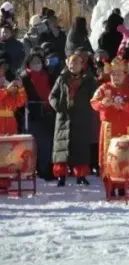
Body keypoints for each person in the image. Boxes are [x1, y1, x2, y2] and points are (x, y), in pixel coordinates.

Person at [90, 59, 129, 195]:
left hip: (126, 128)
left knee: (125, 156)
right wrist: (103, 103)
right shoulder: (103, 88)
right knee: (109, 156)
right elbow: (94, 103)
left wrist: (124, 106)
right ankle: (110, 185)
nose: (116, 76)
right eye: (113, 74)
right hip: (109, 128)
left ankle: (124, 185)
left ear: (125, 74)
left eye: (119, 73)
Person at [49, 53, 97, 186]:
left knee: (80, 147)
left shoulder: (89, 80)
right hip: (63, 117)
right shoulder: (61, 78)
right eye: (71, 63)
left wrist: (89, 108)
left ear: (82, 64)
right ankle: (61, 176)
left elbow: (95, 97)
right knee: (61, 148)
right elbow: (52, 95)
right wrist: (58, 106)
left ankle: (80, 176)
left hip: (82, 117)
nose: (73, 65)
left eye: (76, 63)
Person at [22, 51, 57, 180]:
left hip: (48, 112)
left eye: (39, 61)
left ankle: (45, 169)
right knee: (31, 144)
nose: (36, 64)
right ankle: (30, 170)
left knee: (47, 144)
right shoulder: (24, 77)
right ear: (28, 64)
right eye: (33, 62)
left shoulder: (49, 76)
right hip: (31, 114)